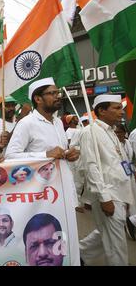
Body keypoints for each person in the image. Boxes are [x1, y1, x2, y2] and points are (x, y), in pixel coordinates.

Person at [79, 94, 134, 265]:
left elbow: (119, 163)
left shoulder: (111, 131)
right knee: (116, 245)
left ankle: (79, 254)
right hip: (108, 194)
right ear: (101, 111)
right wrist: (105, 198)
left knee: (107, 234)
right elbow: (91, 166)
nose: (121, 112)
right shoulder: (90, 132)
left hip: (122, 193)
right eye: (116, 108)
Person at [6, 78, 80, 162]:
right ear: (38, 99)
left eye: (58, 92)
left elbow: (59, 152)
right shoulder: (27, 123)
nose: (58, 96)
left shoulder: (58, 122)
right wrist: (45, 155)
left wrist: (68, 154)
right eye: (52, 93)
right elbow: (10, 156)